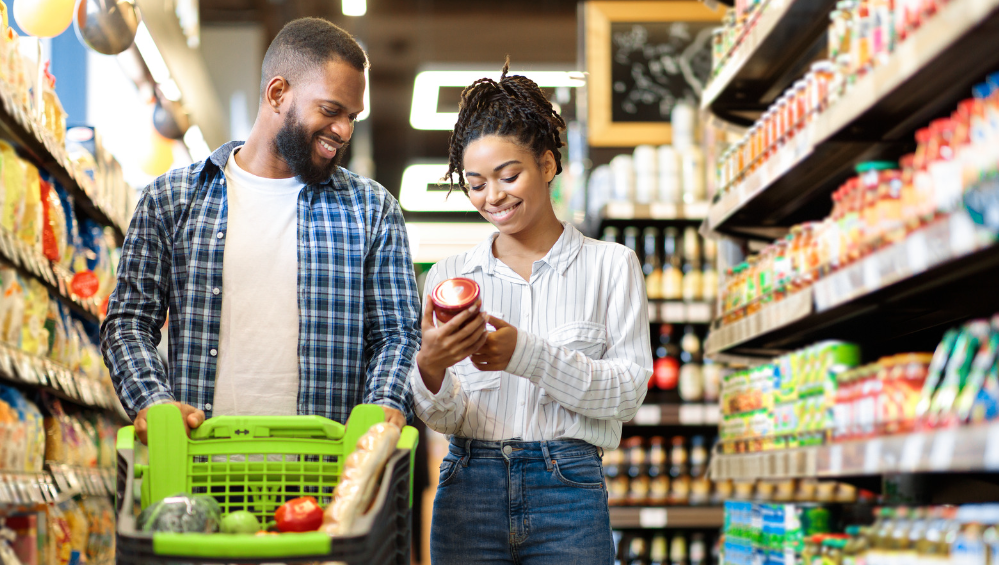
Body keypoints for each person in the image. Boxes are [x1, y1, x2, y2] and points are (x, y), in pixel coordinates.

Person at [101, 17, 420, 443]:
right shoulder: (171, 200)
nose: (343, 130)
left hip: (329, 478)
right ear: (277, 93)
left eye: (352, 116)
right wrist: (153, 402)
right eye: (330, 110)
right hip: (199, 471)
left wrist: (385, 403)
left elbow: (397, 335)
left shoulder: (372, 209)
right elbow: (127, 323)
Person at [411, 61, 653, 565]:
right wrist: (430, 369)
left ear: (546, 165)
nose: (492, 196)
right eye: (475, 183)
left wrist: (526, 354)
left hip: (569, 491)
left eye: (508, 175)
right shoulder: (450, 279)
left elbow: (628, 393)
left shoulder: (611, 266)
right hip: (467, 487)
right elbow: (449, 416)